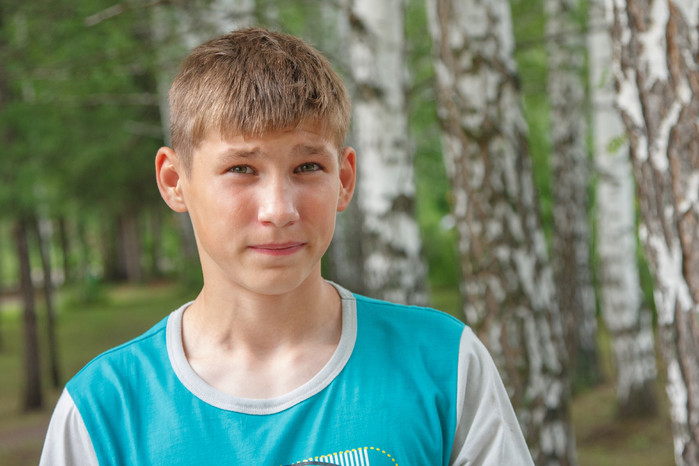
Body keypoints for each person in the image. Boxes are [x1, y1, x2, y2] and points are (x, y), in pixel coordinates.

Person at [40, 27, 533, 465]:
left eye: (307, 167)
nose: (279, 209)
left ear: (344, 180)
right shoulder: (104, 410)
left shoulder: (442, 363)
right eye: (241, 169)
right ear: (174, 181)